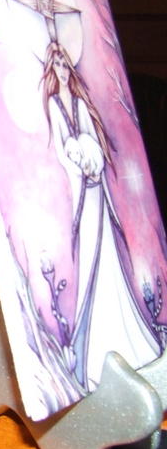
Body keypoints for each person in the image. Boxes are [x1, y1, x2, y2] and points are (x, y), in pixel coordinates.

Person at [41, 41, 160, 390]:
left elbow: (94, 140)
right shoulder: (54, 105)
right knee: (90, 254)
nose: (63, 71)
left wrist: (92, 159)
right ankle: (94, 342)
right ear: (52, 70)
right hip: (84, 191)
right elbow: (62, 150)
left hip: (97, 190)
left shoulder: (81, 103)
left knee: (110, 253)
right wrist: (78, 164)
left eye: (65, 65)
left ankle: (127, 331)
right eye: (57, 66)